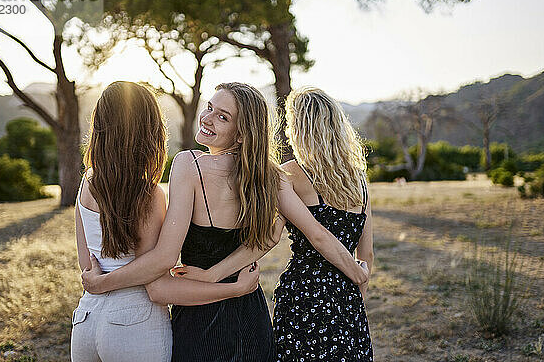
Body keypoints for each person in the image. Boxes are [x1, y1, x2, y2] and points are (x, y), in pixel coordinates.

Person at [82, 83, 369, 361]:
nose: (207, 118)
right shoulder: (272, 175)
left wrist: (104, 282)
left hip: (199, 316)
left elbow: (165, 258)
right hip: (250, 316)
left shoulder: (189, 164)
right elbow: (285, 234)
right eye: (209, 108)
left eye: (223, 117)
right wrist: (355, 272)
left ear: (242, 134)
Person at [179, 86, 374, 361]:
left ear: (298, 129)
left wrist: (213, 274)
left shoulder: (292, 174)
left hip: (304, 296)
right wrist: (356, 287)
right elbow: (367, 255)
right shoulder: (360, 181)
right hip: (347, 295)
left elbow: (272, 239)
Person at [72, 81, 258, 362]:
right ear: (151, 130)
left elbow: (88, 264)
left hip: (86, 320)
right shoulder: (149, 194)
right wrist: (235, 288)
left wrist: (98, 285)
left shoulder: (87, 182)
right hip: (134, 321)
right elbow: (160, 270)